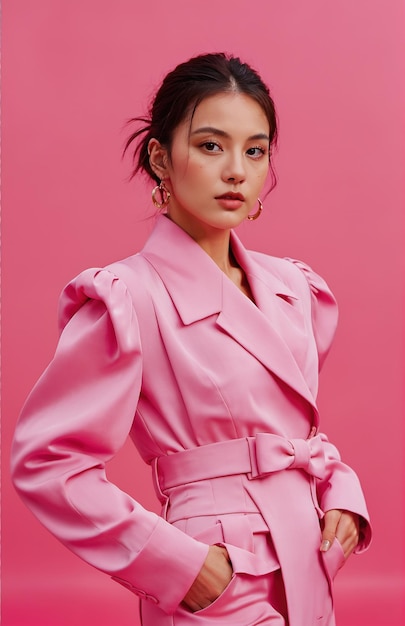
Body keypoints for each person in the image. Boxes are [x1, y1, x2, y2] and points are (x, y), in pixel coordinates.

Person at [11, 52, 371, 626]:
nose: (236, 170)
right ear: (160, 157)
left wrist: (342, 497)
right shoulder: (126, 298)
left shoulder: (296, 289)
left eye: (255, 150)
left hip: (309, 561)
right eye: (210, 145)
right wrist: (180, 567)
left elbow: (298, 436)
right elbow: (49, 463)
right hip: (221, 570)